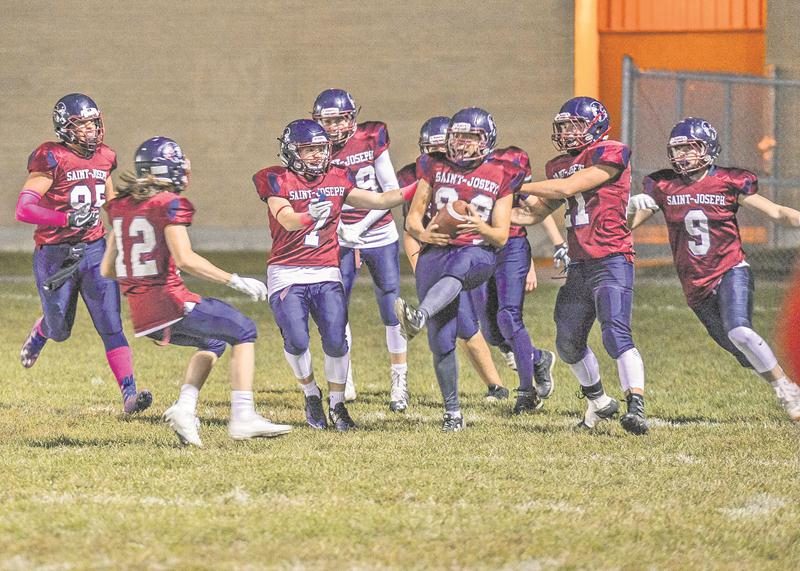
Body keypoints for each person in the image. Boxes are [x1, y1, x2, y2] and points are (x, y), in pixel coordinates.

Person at [101, 137, 291, 447]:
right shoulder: (169, 204)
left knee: (214, 342)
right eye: (179, 165)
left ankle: (184, 409)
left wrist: (144, 277)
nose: (185, 170)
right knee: (244, 330)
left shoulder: (121, 206)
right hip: (170, 303)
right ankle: (243, 415)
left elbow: (108, 268)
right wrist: (234, 280)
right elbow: (186, 259)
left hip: (141, 314)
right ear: (165, 170)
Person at [628, 117, 800, 422]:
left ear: (708, 148)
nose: (682, 155)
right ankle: (783, 378)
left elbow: (776, 212)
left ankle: (788, 391)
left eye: (690, 148)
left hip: (730, 268)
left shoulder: (728, 181)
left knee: (740, 331)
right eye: (678, 149)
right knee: (739, 351)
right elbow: (626, 228)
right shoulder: (663, 185)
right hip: (695, 283)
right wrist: (629, 208)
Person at [253, 119, 413, 431]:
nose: (316, 155)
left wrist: (422, 186)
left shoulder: (337, 177)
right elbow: (286, 219)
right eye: (308, 149)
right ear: (292, 151)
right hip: (287, 271)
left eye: (320, 148)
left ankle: (337, 404)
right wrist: (305, 216)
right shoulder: (276, 179)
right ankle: (311, 393)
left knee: (337, 341)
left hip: (326, 270)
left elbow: (381, 200)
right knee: (297, 340)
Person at [514, 96, 648, 435]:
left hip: (612, 258)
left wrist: (515, 184)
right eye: (563, 127)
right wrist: (489, 211)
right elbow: (533, 214)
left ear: (596, 125)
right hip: (579, 264)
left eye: (575, 125)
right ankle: (599, 402)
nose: (568, 133)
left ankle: (636, 406)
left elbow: (569, 186)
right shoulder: (559, 165)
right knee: (568, 341)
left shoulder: (611, 153)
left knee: (615, 333)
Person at [15, 93, 151, 414]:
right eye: (82, 124)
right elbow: (23, 209)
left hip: (94, 249)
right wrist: (65, 219)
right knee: (60, 329)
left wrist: (136, 206)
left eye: (93, 123)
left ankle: (129, 395)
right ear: (65, 127)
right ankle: (42, 331)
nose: (91, 130)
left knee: (110, 323)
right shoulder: (51, 158)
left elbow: (110, 202)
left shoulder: (104, 157)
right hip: (55, 254)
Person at [396, 107, 523, 431]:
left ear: (486, 140)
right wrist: (423, 234)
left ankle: (419, 315)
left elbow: (501, 235)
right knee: (441, 342)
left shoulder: (503, 172)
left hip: (477, 252)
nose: (462, 143)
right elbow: (413, 219)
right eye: (457, 137)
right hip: (437, 251)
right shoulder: (433, 166)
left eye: (470, 137)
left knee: (460, 265)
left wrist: (480, 227)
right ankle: (452, 413)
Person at [312, 89, 407, 408]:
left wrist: (359, 227)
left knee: (391, 307)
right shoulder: (315, 147)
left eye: (340, 119)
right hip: (339, 234)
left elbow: (391, 191)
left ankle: (399, 381)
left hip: (378, 231)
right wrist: (340, 228)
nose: (334, 126)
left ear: (352, 118)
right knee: (336, 307)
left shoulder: (371, 137)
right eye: (328, 121)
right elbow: (319, 195)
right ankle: (345, 378)